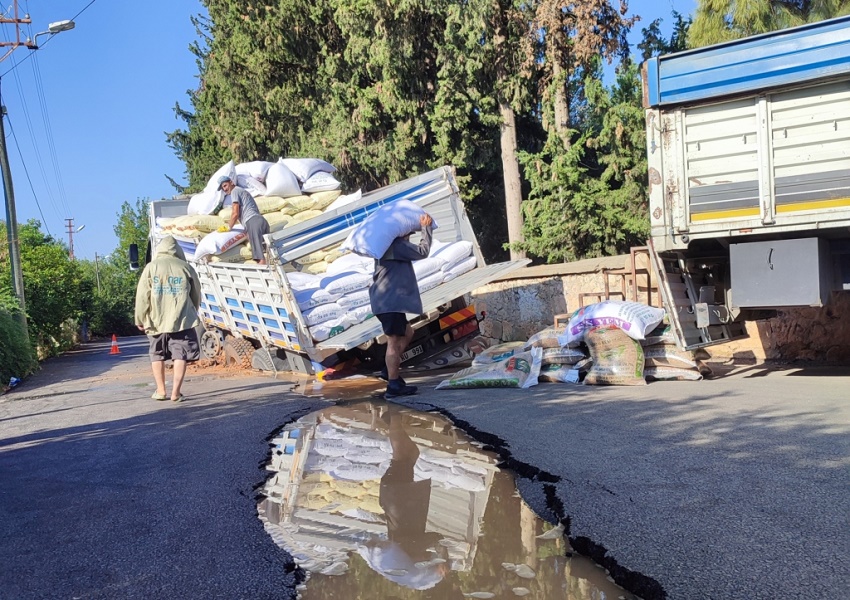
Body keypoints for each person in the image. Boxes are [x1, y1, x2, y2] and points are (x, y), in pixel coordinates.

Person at [369, 213, 434, 399]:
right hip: (390, 301)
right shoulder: (396, 246)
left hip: (386, 301)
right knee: (394, 340)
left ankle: (389, 370)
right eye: (408, 233)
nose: (409, 236)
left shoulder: (384, 247)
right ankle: (393, 385)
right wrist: (426, 228)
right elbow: (423, 251)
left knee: (408, 332)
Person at [134, 235, 202, 403]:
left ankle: (161, 390)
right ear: (177, 250)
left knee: (157, 354)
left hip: (156, 320)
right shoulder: (185, 267)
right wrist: (193, 309)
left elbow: (143, 296)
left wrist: (140, 318)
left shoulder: (151, 267)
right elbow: (196, 293)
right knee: (181, 354)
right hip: (181, 320)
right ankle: (176, 393)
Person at [218, 175, 271, 265]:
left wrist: (229, 227)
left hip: (253, 222)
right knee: (269, 253)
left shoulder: (235, 191)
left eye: (225, 185)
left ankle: (262, 277)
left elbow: (235, 213)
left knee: (260, 258)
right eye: (223, 188)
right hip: (261, 222)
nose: (225, 189)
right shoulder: (241, 191)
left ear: (231, 182)